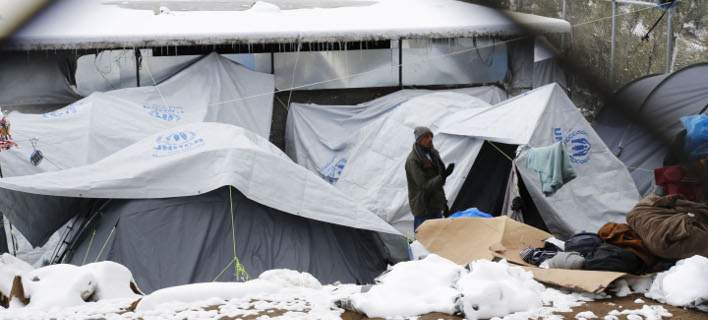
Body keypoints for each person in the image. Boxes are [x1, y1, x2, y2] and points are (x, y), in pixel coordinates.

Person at [405, 126, 454, 232]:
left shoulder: (433, 154)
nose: (430, 139)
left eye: (431, 136)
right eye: (426, 137)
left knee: (437, 238)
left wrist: (444, 204)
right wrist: (443, 176)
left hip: (435, 205)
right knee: (421, 240)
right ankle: (412, 246)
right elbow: (424, 186)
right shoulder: (413, 160)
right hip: (423, 208)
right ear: (419, 140)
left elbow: (438, 185)